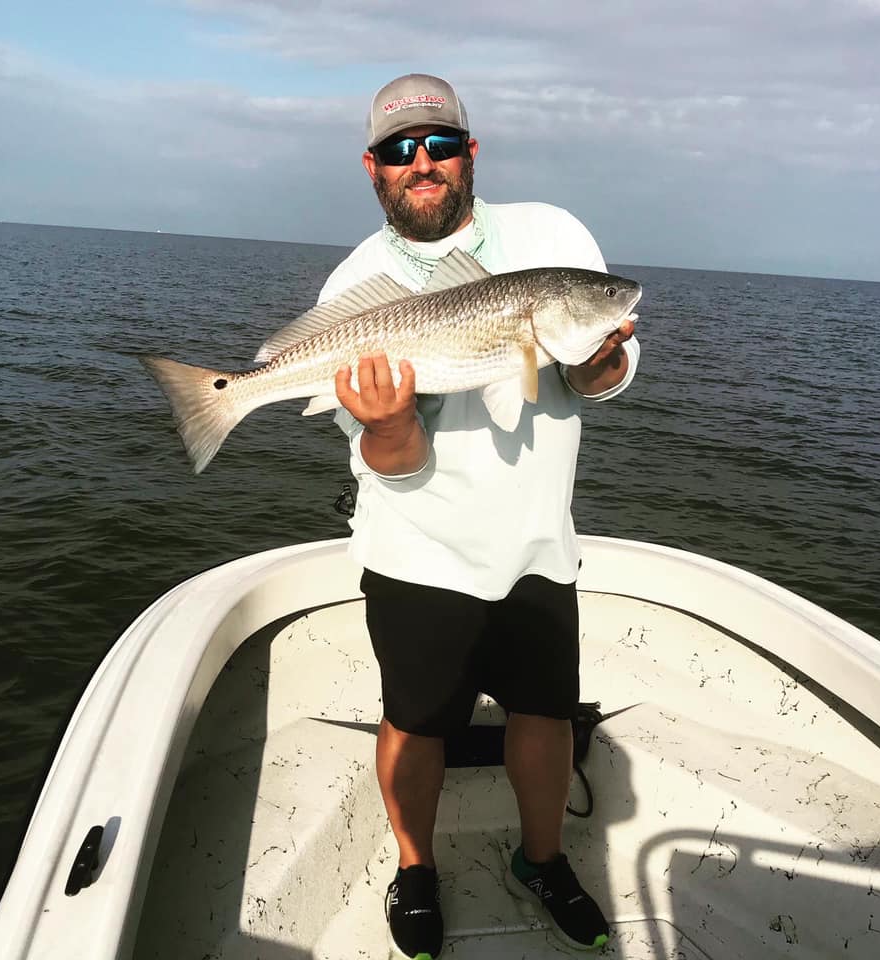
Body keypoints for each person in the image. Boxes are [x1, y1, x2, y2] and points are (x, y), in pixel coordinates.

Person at [318, 73, 639, 959]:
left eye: (439, 143)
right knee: (414, 722)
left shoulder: (553, 238)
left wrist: (601, 364)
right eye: (398, 150)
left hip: (539, 545)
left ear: (470, 150)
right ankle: (415, 869)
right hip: (417, 551)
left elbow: (602, 368)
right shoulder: (357, 284)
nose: (421, 162)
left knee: (545, 714)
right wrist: (387, 422)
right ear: (373, 167)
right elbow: (392, 460)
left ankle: (542, 859)